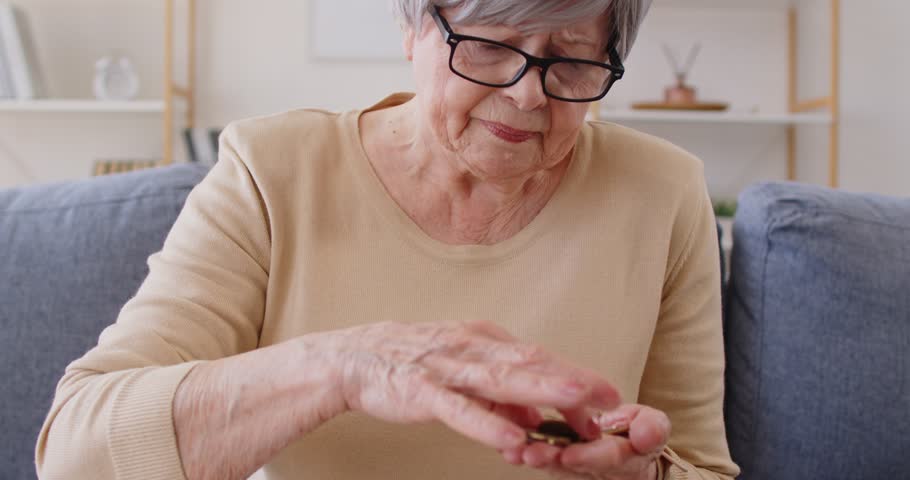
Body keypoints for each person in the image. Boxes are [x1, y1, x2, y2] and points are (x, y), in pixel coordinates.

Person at [36, 1, 740, 479]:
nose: (528, 93)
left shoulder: (663, 191)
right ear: (413, 27)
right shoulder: (271, 172)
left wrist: (642, 474)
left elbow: (700, 467)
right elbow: (76, 455)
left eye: (574, 60)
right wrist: (346, 366)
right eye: (488, 44)